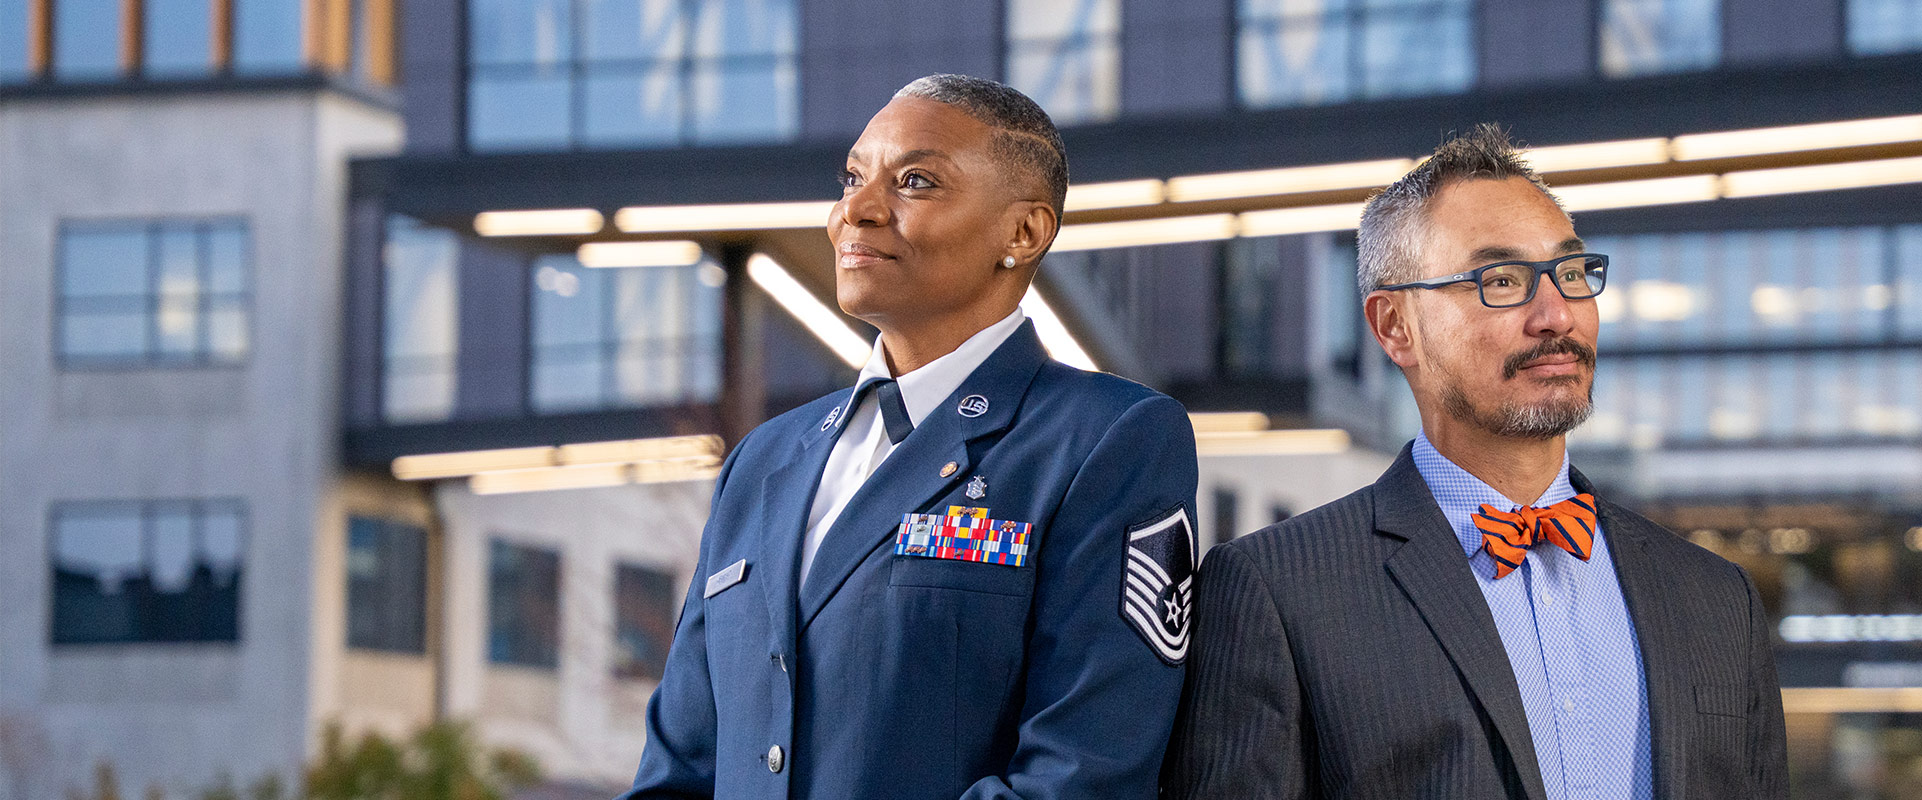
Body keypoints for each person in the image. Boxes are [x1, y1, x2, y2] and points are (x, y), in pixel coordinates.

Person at [1162, 125, 1786, 800]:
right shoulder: (1279, 592)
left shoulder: (1719, 601)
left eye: (1571, 273)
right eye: (1503, 280)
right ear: (1395, 326)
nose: (1556, 314)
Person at [623, 74, 1200, 799]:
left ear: (1023, 232)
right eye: (851, 179)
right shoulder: (763, 461)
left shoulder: (1108, 441)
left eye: (916, 181)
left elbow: (1082, 776)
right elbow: (679, 772)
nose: (855, 212)